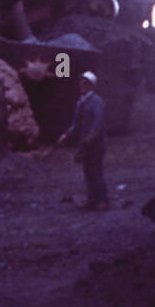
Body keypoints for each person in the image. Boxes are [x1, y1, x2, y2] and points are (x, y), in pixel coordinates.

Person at [57, 71, 108, 210]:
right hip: (86, 143)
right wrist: (66, 135)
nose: (81, 85)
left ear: (92, 86)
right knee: (88, 172)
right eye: (81, 83)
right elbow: (76, 124)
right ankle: (93, 199)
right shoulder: (82, 103)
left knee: (95, 170)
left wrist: (90, 139)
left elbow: (98, 123)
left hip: (95, 143)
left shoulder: (97, 102)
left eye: (85, 83)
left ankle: (102, 200)